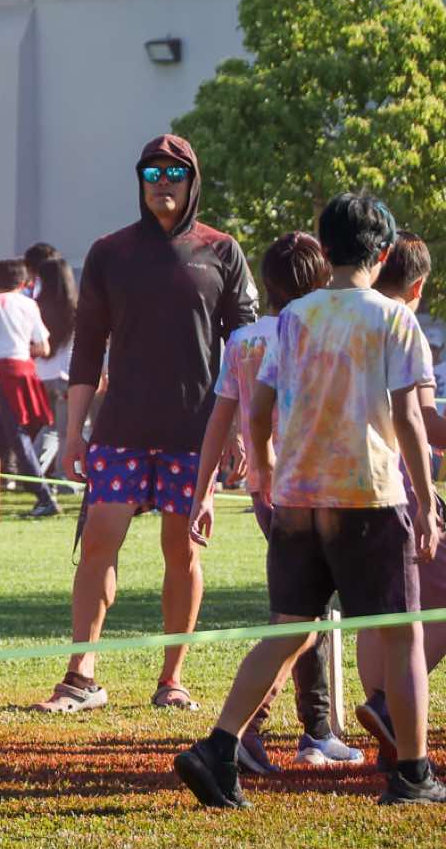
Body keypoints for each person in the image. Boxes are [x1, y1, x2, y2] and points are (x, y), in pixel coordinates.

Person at [174, 192, 443, 808]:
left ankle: (218, 748)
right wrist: (426, 500)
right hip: (368, 497)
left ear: (326, 249)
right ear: (383, 254)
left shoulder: (294, 317)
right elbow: (409, 418)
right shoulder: (393, 319)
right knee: (402, 633)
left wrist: (268, 465)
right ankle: (412, 773)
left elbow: (259, 406)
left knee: (288, 631)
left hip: (297, 499)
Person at [38, 134, 257, 714]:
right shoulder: (109, 253)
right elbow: (88, 348)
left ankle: (172, 678)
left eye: (174, 173)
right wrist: (74, 433)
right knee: (98, 544)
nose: (163, 182)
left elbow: (245, 348)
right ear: (140, 181)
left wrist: (238, 429)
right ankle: (81, 676)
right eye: (152, 172)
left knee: (182, 552)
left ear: (192, 181)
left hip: (194, 431)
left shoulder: (222, 251)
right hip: (121, 431)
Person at [185, 232, 356, 774]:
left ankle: (315, 729)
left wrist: (203, 493)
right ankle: (265, 729)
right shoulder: (321, 331)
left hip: (266, 493)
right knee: (303, 613)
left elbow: (218, 421)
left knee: (307, 608)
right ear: (320, 278)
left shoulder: (243, 341)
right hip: (320, 487)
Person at [354, 229, 446, 768]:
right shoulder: (402, 325)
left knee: (379, 602)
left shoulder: (345, 317)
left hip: (346, 480)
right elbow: (423, 422)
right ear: (416, 287)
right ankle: (390, 707)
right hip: (398, 480)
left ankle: (381, 707)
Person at [0, 259, 59, 519]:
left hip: (5, 375)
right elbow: (44, 347)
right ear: (24, 282)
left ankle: (44, 497)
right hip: (26, 371)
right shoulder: (30, 304)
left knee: (17, 436)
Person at [26, 244, 77, 474]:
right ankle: (64, 479)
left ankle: (31, 472)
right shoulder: (76, 310)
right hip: (67, 376)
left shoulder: (36, 307)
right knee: (67, 431)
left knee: (51, 428)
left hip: (42, 376)